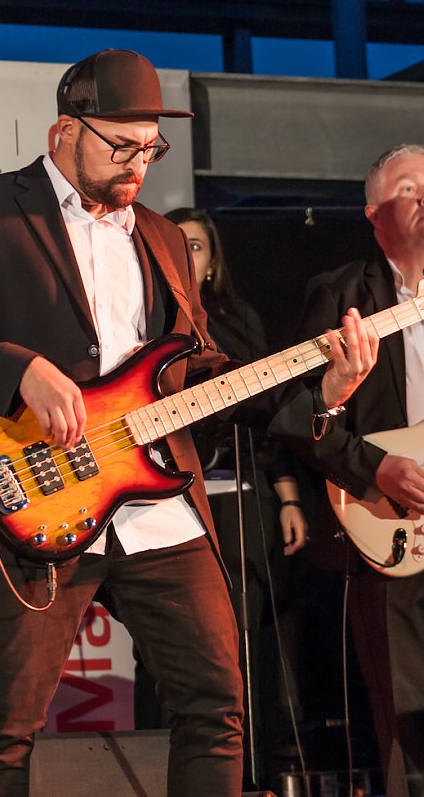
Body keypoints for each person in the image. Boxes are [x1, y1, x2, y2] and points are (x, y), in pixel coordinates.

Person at [0, 48, 378, 797]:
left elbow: (201, 373)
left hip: (161, 507)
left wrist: (325, 394)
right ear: (64, 131)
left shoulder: (163, 236)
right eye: (121, 145)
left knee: (217, 707)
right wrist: (19, 373)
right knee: (3, 731)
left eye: (151, 148)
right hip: (41, 499)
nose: (137, 165)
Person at [133, 207, 308, 786]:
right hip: (160, 497)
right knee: (166, 643)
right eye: (177, 245)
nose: (187, 255)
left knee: (242, 635)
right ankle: (156, 767)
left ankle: (248, 775)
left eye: (197, 247)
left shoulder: (237, 321)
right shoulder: (147, 318)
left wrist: (288, 496)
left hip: (237, 493)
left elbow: (267, 413)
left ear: (211, 264)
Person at [279, 144, 424, 797]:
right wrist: (376, 468)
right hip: (390, 521)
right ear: (374, 214)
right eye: (409, 189)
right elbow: (298, 417)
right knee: (406, 711)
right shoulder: (342, 294)